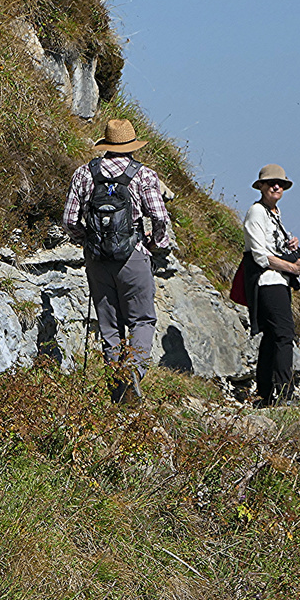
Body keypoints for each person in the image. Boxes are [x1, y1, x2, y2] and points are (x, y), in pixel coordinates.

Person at [62, 119, 175, 401]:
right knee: (142, 320)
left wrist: (86, 240)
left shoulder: (84, 174)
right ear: (132, 147)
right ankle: (133, 374)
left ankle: (116, 390)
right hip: (132, 256)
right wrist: (154, 242)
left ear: (107, 145)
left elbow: (69, 219)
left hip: (98, 259)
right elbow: (160, 217)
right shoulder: (144, 175)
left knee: (109, 325)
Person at [244, 164, 300, 406]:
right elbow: (259, 255)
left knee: (272, 336)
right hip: (267, 281)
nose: (276, 186)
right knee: (284, 334)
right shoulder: (257, 213)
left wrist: (289, 247)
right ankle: (282, 393)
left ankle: (265, 395)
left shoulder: (274, 213)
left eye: (280, 183)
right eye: (271, 183)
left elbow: (270, 248)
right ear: (261, 186)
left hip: (277, 281)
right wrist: (293, 268)